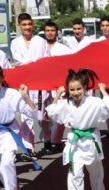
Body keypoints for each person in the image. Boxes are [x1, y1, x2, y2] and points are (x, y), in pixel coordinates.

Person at [46, 69, 109, 190]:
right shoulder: (66, 103)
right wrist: (58, 95)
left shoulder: (94, 102)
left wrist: (104, 91)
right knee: (75, 175)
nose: (76, 92)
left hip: (91, 141)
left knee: (96, 173)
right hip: (75, 142)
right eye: (72, 89)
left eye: (79, 88)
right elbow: (53, 112)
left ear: (85, 87)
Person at [10, 13, 49, 157]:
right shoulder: (15, 43)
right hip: (24, 83)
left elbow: (46, 58)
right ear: (19, 26)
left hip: (39, 82)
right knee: (26, 115)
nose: (27, 27)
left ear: (32, 24)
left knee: (41, 115)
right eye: (24, 25)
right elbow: (17, 60)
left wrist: (36, 66)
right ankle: (29, 148)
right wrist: (30, 64)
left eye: (29, 24)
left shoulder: (40, 41)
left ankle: (48, 139)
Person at [39, 20, 72, 157]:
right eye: (47, 30)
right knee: (42, 117)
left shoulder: (63, 49)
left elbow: (69, 67)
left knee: (58, 114)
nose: (50, 33)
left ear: (56, 32)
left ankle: (56, 142)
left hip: (58, 86)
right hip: (42, 86)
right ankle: (47, 140)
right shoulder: (40, 47)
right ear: (44, 32)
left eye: (52, 30)